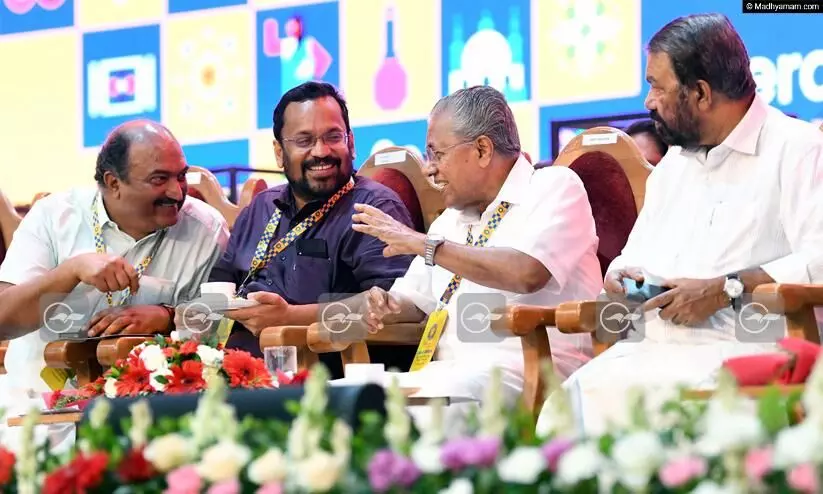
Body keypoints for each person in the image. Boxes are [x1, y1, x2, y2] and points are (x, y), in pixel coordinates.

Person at [538, 13, 823, 435]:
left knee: (668, 409)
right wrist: (621, 278)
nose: (648, 101)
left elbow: (818, 260)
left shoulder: (798, 149)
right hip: (649, 350)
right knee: (563, 410)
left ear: (701, 93)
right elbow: (633, 259)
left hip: (744, 350)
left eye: (657, 86)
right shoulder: (673, 166)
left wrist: (725, 289)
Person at [353, 85, 602, 431]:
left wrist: (427, 246)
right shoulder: (450, 220)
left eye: (437, 154)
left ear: (482, 149)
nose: (430, 170)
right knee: (349, 401)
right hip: (450, 372)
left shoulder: (554, 187)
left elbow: (526, 273)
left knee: (422, 414)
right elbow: (414, 301)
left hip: (530, 369)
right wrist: (386, 303)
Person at [0, 120, 229, 452]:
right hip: (33, 412)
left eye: (180, 176)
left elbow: (222, 324)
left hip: (151, 420)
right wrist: (71, 271)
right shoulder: (54, 217)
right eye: (159, 179)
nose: (177, 192)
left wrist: (168, 315)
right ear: (113, 182)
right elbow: (3, 320)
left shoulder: (206, 230)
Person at [206, 81, 417, 378]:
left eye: (333, 137)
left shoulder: (373, 209)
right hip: (232, 371)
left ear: (351, 143)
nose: (321, 151)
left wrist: (290, 318)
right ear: (279, 152)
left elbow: (395, 305)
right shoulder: (261, 207)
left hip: (324, 374)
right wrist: (202, 314)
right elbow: (221, 282)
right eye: (304, 140)